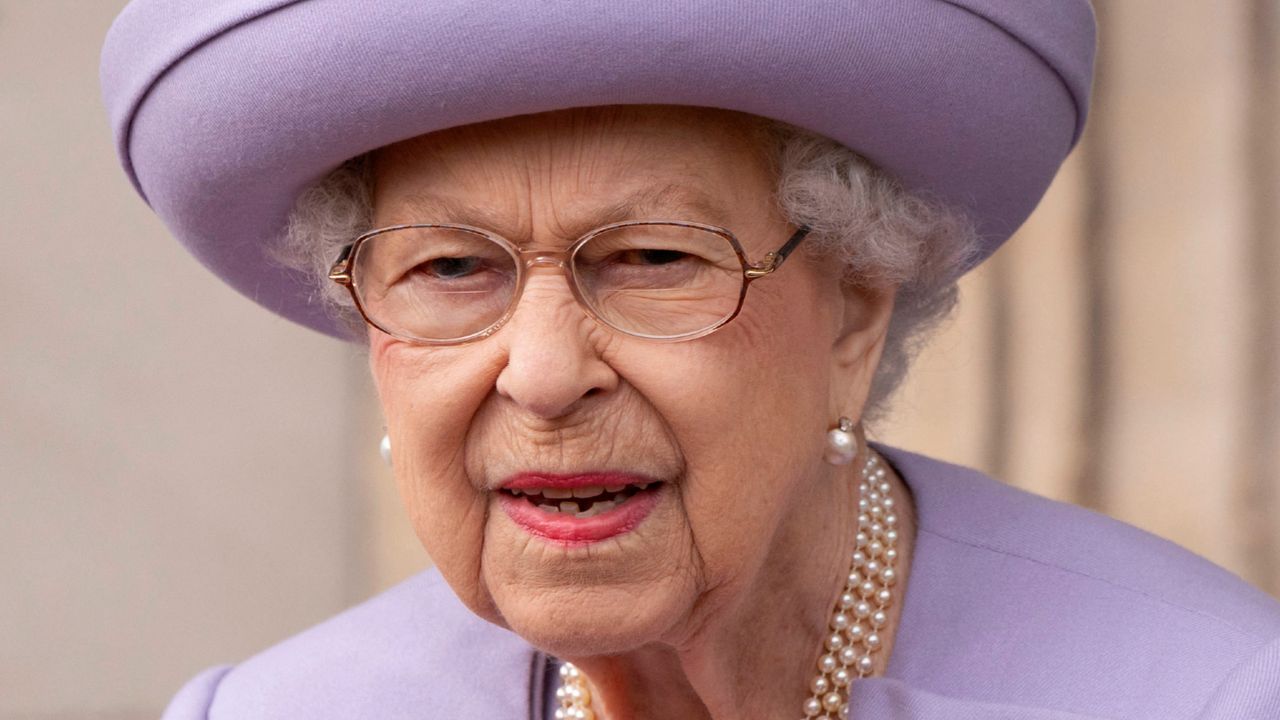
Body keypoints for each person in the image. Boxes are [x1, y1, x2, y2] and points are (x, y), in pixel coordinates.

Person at [100, 1, 1280, 718]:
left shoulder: (1207, 698)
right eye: (450, 270)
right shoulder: (272, 714)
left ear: (854, 314)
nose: (545, 374)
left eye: (656, 259)